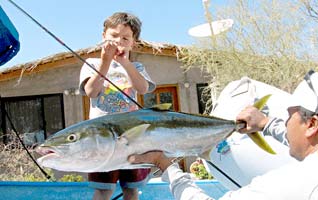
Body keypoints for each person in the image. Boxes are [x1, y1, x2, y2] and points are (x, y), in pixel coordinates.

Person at [128, 70, 318, 199]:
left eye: (289, 115)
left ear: (311, 124)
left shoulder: (292, 182)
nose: (286, 121)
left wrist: (166, 166)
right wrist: (265, 123)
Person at [79, 12, 155, 200]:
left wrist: (124, 62)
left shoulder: (136, 67)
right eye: (113, 36)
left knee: (131, 188)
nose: (118, 41)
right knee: (103, 189)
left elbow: (143, 88)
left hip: (132, 137)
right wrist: (106, 62)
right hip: (103, 138)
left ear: (133, 42)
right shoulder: (93, 63)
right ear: (103, 36)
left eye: (125, 38)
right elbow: (91, 92)